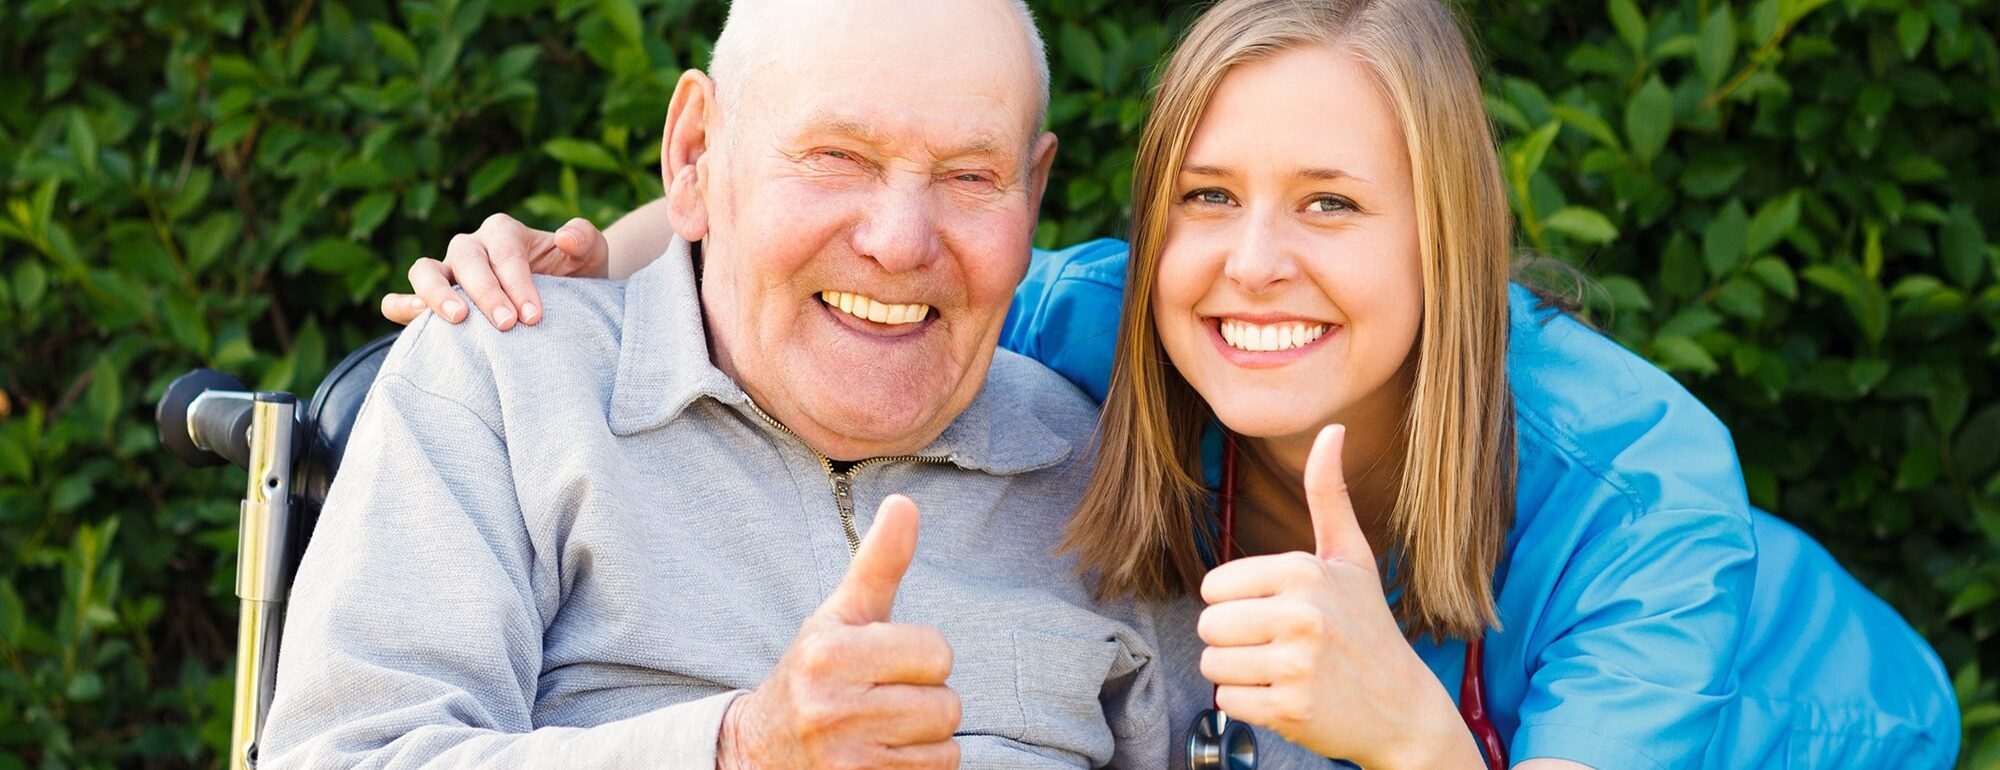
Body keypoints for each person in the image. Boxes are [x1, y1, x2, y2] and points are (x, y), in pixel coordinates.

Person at [388, 0, 1962, 767]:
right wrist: (614, 239)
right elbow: (884, 233)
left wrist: (1415, 742)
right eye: (1207, 196)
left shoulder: (1638, 485)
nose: (1251, 263)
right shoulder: (1104, 323)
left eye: (1333, 203)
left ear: (1454, 230)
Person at [261, 1, 1173, 768]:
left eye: (971, 176)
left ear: (1033, 188)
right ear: (696, 151)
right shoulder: (508, 379)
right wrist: (738, 749)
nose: (901, 241)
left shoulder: (1097, 459)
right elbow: (349, 754)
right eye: (838, 156)